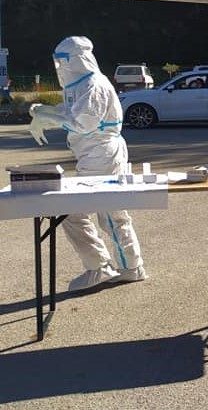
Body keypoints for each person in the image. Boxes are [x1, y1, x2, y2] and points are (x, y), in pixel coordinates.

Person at [28, 36, 146, 291]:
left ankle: (100, 266)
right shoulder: (80, 85)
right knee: (110, 213)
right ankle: (129, 266)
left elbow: (82, 122)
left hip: (102, 155)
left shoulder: (94, 84)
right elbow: (72, 111)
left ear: (77, 60)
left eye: (64, 62)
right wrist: (43, 111)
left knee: (74, 211)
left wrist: (48, 116)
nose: (60, 68)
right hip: (94, 155)